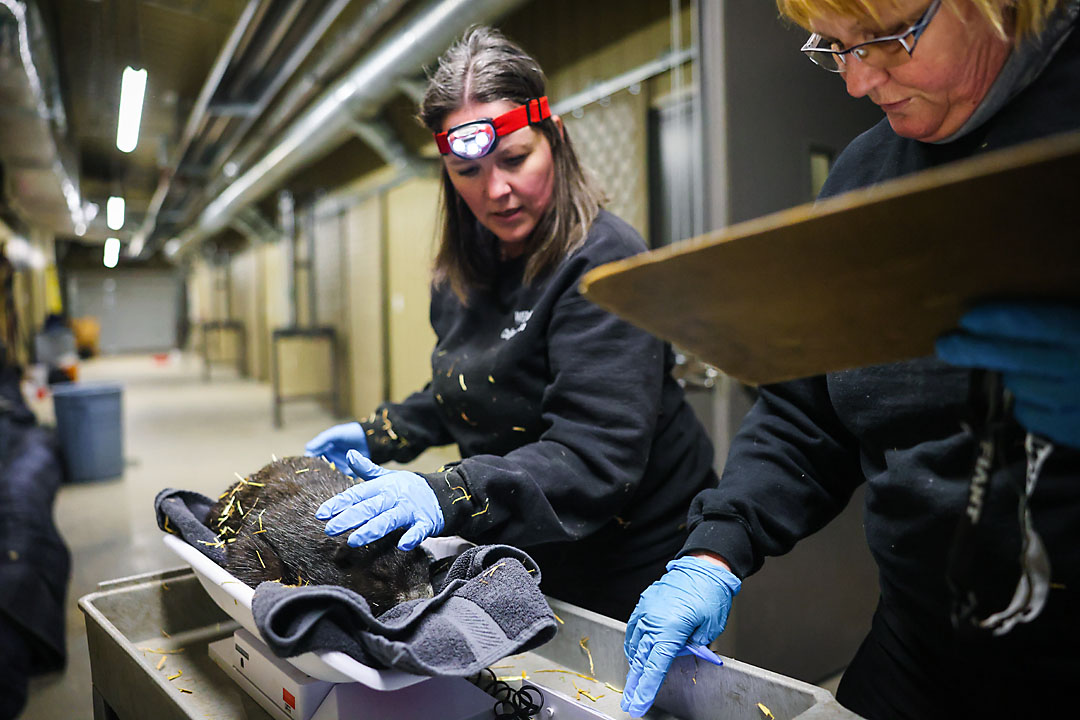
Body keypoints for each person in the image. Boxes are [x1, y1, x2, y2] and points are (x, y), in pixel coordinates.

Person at [621, 0, 1080, 717]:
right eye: (834, 48)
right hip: (920, 650)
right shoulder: (866, 170)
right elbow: (812, 412)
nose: (858, 82)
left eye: (887, 41)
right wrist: (715, 549)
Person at [304, 26, 717, 621]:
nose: (497, 191)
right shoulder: (462, 270)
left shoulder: (603, 262)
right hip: (524, 534)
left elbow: (590, 454)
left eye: (516, 159)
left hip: (633, 549)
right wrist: (381, 432)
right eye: (468, 172)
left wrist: (447, 492)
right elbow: (474, 388)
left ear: (556, 139)